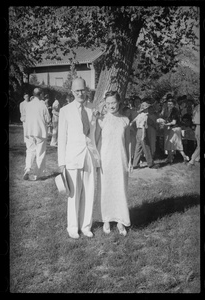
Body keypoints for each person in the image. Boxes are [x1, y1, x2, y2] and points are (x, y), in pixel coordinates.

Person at [58, 77, 100, 239]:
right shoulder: (65, 111)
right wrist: (62, 163)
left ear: (86, 90)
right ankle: (73, 227)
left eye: (82, 90)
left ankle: (86, 226)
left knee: (89, 192)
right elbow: (62, 138)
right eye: (77, 91)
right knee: (74, 194)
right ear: (72, 92)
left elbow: (95, 134)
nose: (80, 93)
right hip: (72, 158)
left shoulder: (92, 109)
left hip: (89, 155)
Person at [95, 91, 132, 236]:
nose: (111, 105)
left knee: (120, 189)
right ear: (105, 103)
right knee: (106, 189)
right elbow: (97, 141)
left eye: (113, 102)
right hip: (105, 160)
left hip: (120, 159)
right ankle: (106, 219)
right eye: (108, 103)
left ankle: (121, 221)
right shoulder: (101, 119)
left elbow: (128, 142)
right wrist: (97, 159)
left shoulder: (125, 120)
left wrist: (129, 161)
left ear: (119, 102)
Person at [23, 88, 51, 180]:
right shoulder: (42, 105)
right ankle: (36, 175)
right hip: (40, 131)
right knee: (40, 153)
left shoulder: (27, 105)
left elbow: (24, 117)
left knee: (30, 151)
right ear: (41, 94)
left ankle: (27, 169)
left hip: (29, 131)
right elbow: (48, 119)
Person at [159, 95, 189, 164]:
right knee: (171, 144)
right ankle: (170, 158)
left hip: (175, 129)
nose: (169, 105)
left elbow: (174, 122)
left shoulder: (175, 111)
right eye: (168, 104)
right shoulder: (170, 110)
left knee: (175, 144)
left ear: (174, 104)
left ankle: (184, 157)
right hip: (173, 129)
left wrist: (165, 124)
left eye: (171, 104)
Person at [131, 102, 159, 169]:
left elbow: (133, 121)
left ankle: (135, 164)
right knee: (146, 147)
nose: (148, 110)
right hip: (143, 131)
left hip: (138, 131)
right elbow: (143, 125)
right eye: (147, 108)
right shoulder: (145, 116)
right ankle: (150, 164)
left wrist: (131, 125)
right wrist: (143, 135)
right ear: (145, 109)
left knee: (138, 147)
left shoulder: (139, 115)